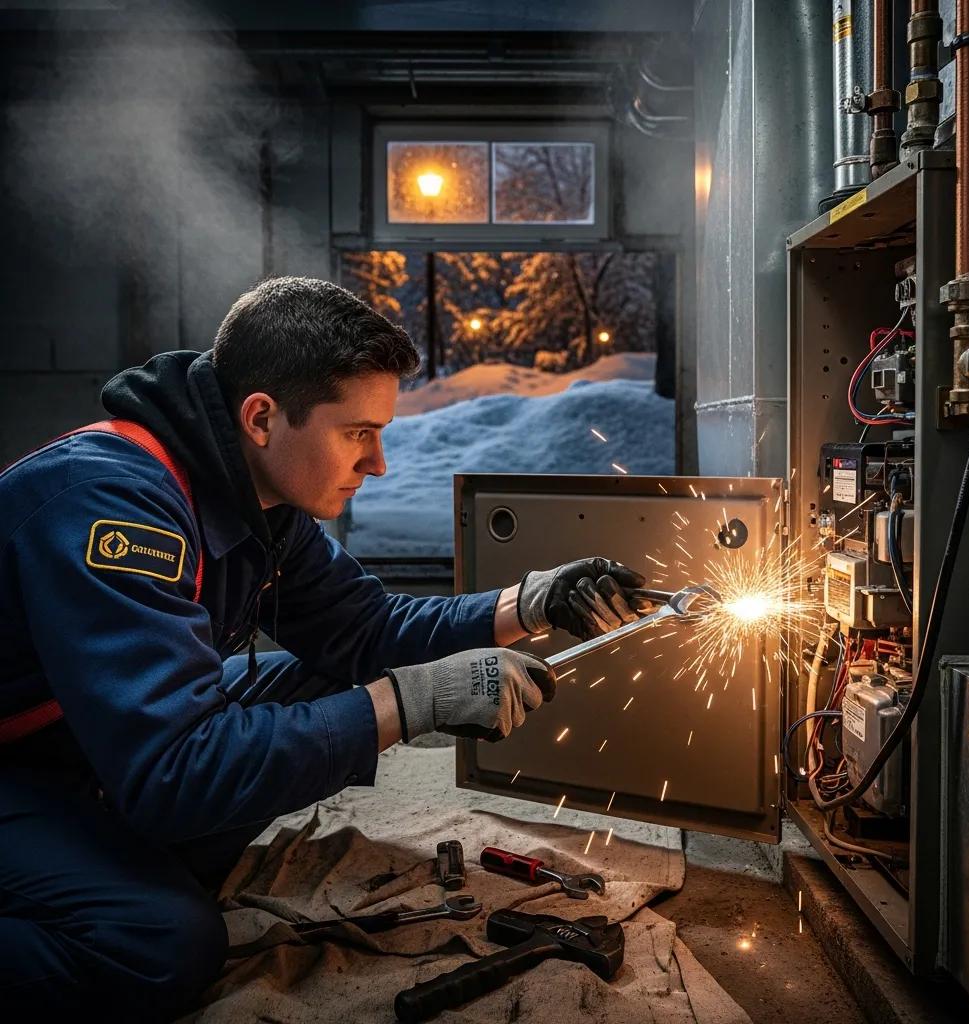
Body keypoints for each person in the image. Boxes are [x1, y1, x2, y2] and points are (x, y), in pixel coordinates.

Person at [0, 276, 649, 1020]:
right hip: (25, 766)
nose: (378, 464)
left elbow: (365, 633)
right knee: (160, 945)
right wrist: (414, 701)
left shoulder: (249, 495)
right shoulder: (111, 510)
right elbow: (173, 769)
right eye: (358, 433)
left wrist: (528, 603)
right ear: (262, 417)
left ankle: (110, 858)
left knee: (322, 683)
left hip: (81, 744)